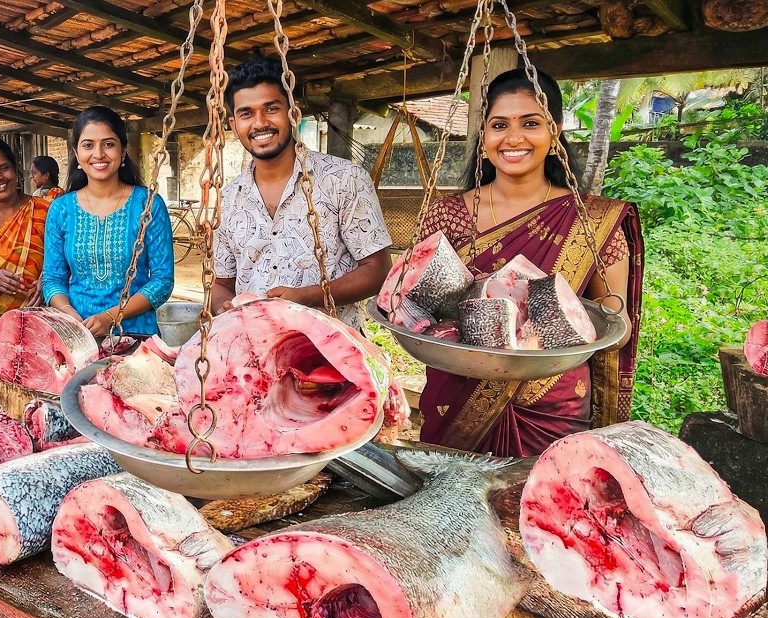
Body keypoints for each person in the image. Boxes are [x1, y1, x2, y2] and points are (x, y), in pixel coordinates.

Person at [417, 68, 643, 458]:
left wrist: (549, 328)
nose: (514, 137)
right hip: (457, 393)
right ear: (484, 135)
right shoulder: (448, 215)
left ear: (554, 132)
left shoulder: (593, 221)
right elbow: (416, 307)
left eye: (531, 123)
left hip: (552, 403)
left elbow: (615, 327)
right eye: (500, 124)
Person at [212, 54, 392, 329]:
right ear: (233, 124)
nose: (260, 123)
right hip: (254, 354)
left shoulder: (344, 179)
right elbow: (221, 284)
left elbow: (377, 270)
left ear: (292, 112)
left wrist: (307, 297)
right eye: (246, 113)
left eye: (271, 108)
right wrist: (225, 307)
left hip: (332, 353)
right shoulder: (228, 199)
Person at [43, 107, 174, 336]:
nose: (99, 154)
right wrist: (68, 313)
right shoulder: (61, 209)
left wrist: (110, 318)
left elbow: (163, 281)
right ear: (76, 153)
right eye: (88, 145)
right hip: (79, 338)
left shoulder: (148, 204)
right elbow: (52, 278)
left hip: (137, 338)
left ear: (123, 151)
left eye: (109, 144)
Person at [0, 137, 50, 333]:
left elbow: (67, 261)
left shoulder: (45, 211)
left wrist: (49, 279)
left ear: (15, 169)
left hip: (39, 325)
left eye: (4, 168)